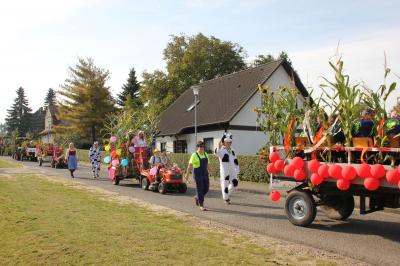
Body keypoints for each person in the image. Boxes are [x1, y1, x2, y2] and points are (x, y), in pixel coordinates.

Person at [185, 141, 211, 211]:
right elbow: (190, 165)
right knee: (199, 188)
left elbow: (208, 164)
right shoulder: (194, 155)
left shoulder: (205, 154)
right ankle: (201, 205)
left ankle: (197, 197)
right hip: (197, 173)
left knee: (206, 188)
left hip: (205, 173)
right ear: (197, 147)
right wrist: (187, 175)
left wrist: (211, 172)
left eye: (203, 147)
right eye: (200, 147)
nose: (202, 148)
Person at [216, 132, 240, 204]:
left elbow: (235, 160)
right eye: (227, 142)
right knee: (225, 184)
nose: (228, 143)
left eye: (230, 142)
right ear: (224, 142)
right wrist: (219, 144)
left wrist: (237, 168)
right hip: (225, 170)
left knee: (235, 183)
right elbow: (216, 152)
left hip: (232, 170)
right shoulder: (221, 150)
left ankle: (226, 195)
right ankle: (226, 198)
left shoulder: (233, 150)